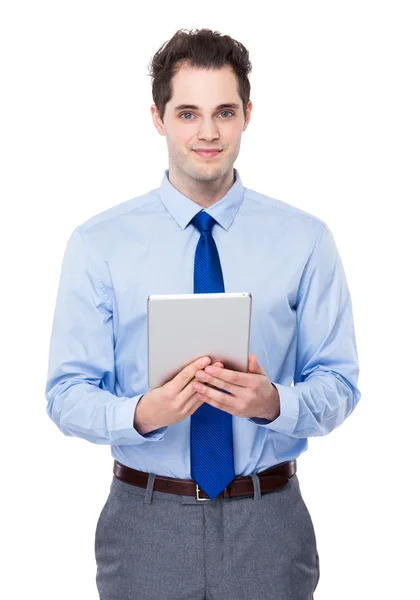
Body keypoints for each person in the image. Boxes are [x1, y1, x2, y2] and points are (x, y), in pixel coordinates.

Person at [45, 27, 361, 600]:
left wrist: (275, 403)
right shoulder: (99, 244)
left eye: (224, 111)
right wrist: (143, 413)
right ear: (158, 118)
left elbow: (340, 383)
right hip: (145, 524)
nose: (208, 132)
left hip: (268, 522)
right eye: (188, 112)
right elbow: (66, 394)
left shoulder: (306, 240)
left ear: (247, 116)